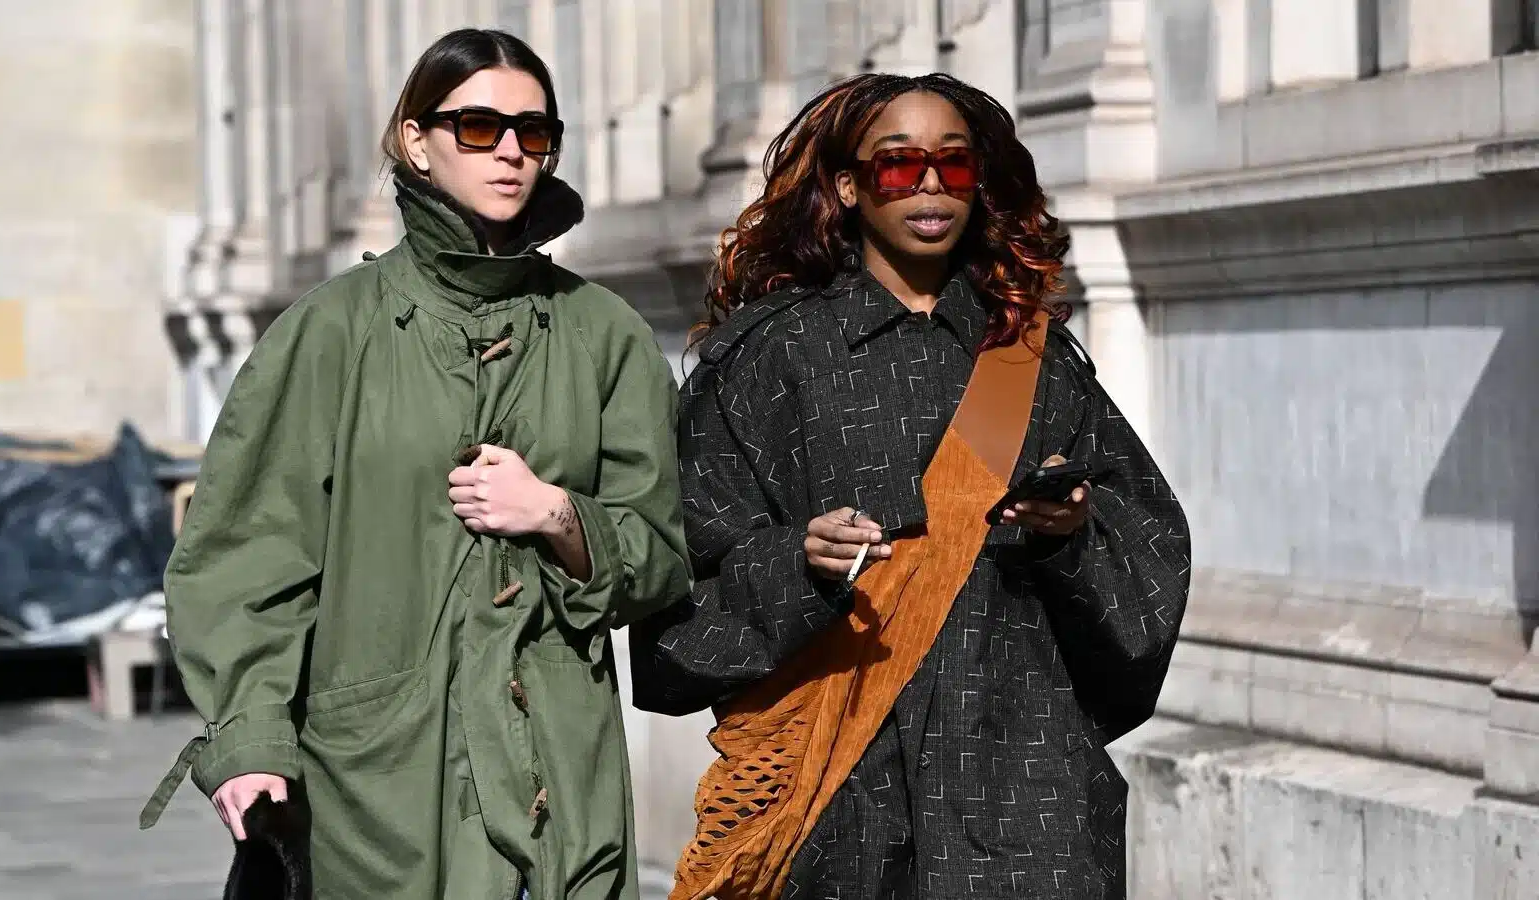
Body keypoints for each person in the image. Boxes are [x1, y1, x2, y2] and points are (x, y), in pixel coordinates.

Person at [140, 28, 690, 900]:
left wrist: (556, 514)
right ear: (417, 140)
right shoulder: (332, 332)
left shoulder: (605, 335)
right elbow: (244, 558)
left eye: (534, 132)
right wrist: (251, 742)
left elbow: (661, 557)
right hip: (377, 788)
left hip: (559, 777)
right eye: (478, 127)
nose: (510, 151)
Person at [629, 72, 1191, 900]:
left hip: (1029, 800)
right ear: (848, 187)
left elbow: (1149, 566)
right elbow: (675, 599)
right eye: (898, 165)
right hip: (841, 811)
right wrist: (799, 563)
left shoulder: (1032, 359)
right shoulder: (771, 359)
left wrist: (1071, 537)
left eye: (953, 165)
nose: (930, 185)